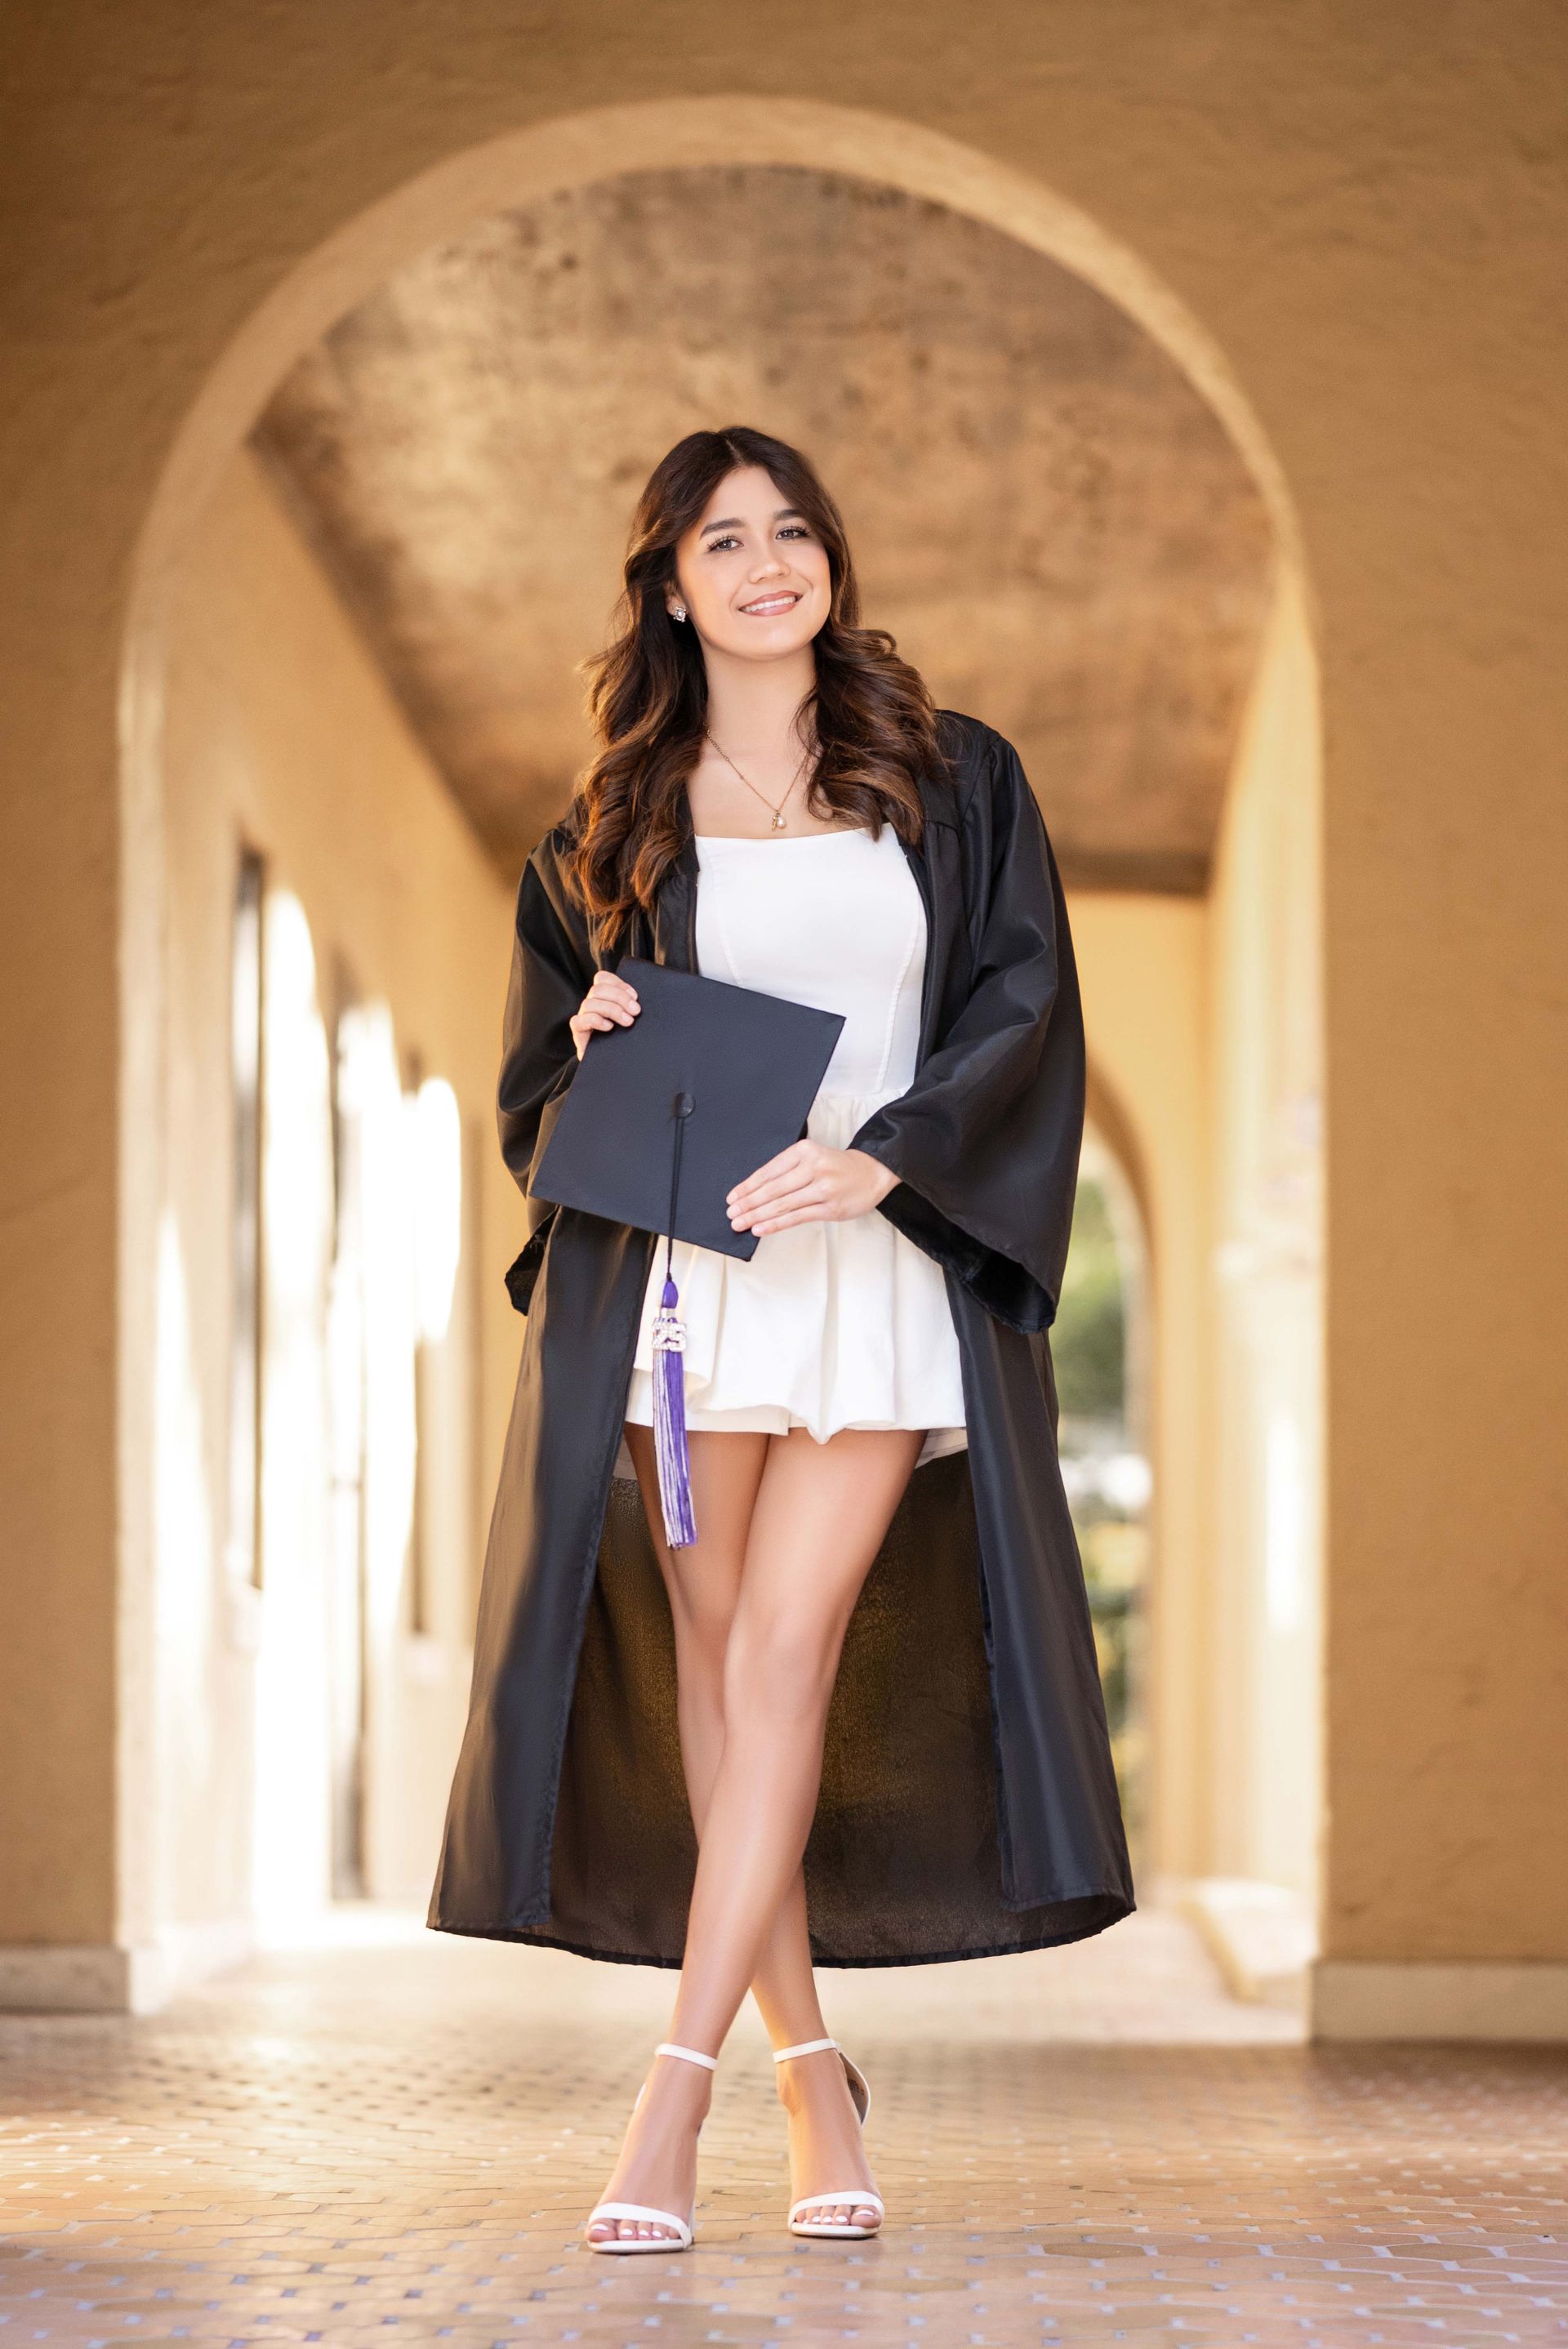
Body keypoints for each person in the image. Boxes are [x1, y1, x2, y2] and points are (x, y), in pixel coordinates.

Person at [427, 425, 1134, 2253]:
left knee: (792, 1657)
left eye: (793, 531)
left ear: (831, 561)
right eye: (723, 540)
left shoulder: (949, 778)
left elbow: (1021, 1006)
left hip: (872, 1272)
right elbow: (533, 1105)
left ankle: (667, 2106)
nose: (767, 564)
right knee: (725, 1678)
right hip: (688, 1292)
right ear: (671, 584)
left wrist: (883, 1160)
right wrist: (585, 1038)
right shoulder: (608, 827)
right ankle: (821, 2080)